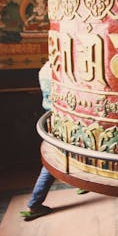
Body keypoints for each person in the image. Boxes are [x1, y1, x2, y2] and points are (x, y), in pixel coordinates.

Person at [19, 62, 87, 221]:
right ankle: (34, 204)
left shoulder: (45, 68)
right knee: (54, 162)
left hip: (54, 118)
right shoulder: (63, 70)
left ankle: (82, 184)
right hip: (64, 119)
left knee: (71, 152)